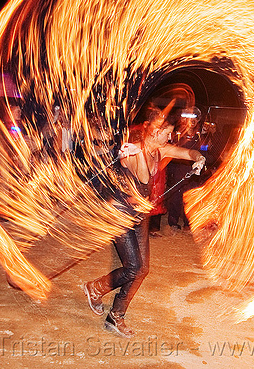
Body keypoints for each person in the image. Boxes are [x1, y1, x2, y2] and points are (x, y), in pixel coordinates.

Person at [83, 107, 205, 337]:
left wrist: (199, 159)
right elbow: (142, 177)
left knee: (142, 269)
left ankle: (111, 311)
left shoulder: (159, 149)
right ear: (156, 131)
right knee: (134, 268)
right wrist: (135, 153)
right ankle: (99, 294)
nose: (170, 137)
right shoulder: (133, 153)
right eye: (167, 132)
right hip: (120, 214)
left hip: (139, 215)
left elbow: (188, 153)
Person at [166, 107, 203, 231]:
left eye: (195, 119)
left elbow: (205, 151)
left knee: (191, 196)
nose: (192, 122)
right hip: (179, 169)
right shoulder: (177, 134)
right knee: (176, 196)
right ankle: (173, 222)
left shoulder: (199, 136)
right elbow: (172, 152)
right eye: (189, 118)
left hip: (193, 171)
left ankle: (188, 223)